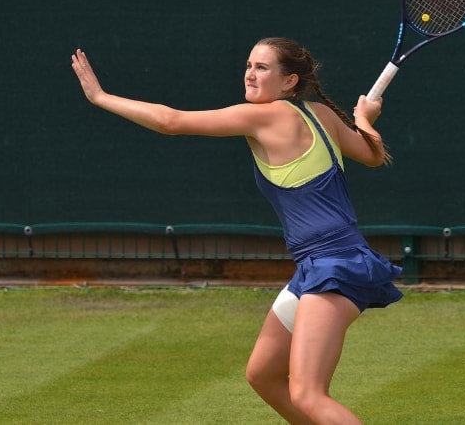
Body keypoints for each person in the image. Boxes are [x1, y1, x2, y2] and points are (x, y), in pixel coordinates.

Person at [71, 37, 402, 424]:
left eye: (262, 68)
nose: (249, 73)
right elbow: (373, 155)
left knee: (309, 394)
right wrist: (364, 120)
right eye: (248, 65)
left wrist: (101, 97)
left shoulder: (262, 116)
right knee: (263, 374)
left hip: (335, 266)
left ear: (289, 81)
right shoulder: (322, 115)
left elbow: (170, 121)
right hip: (323, 264)